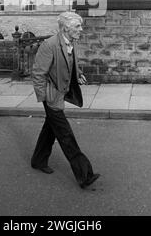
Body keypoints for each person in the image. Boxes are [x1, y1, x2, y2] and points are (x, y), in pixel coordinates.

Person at [31, 11, 100, 189]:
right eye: (77, 26)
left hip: (61, 92)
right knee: (65, 135)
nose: (81, 29)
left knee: (50, 129)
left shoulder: (71, 42)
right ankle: (84, 174)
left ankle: (38, 160)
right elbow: (38, 73)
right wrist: (44, 98)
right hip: (51, 96)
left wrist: (79, 75)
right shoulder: (49, 45)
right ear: (65, 28)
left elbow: (71, 64)